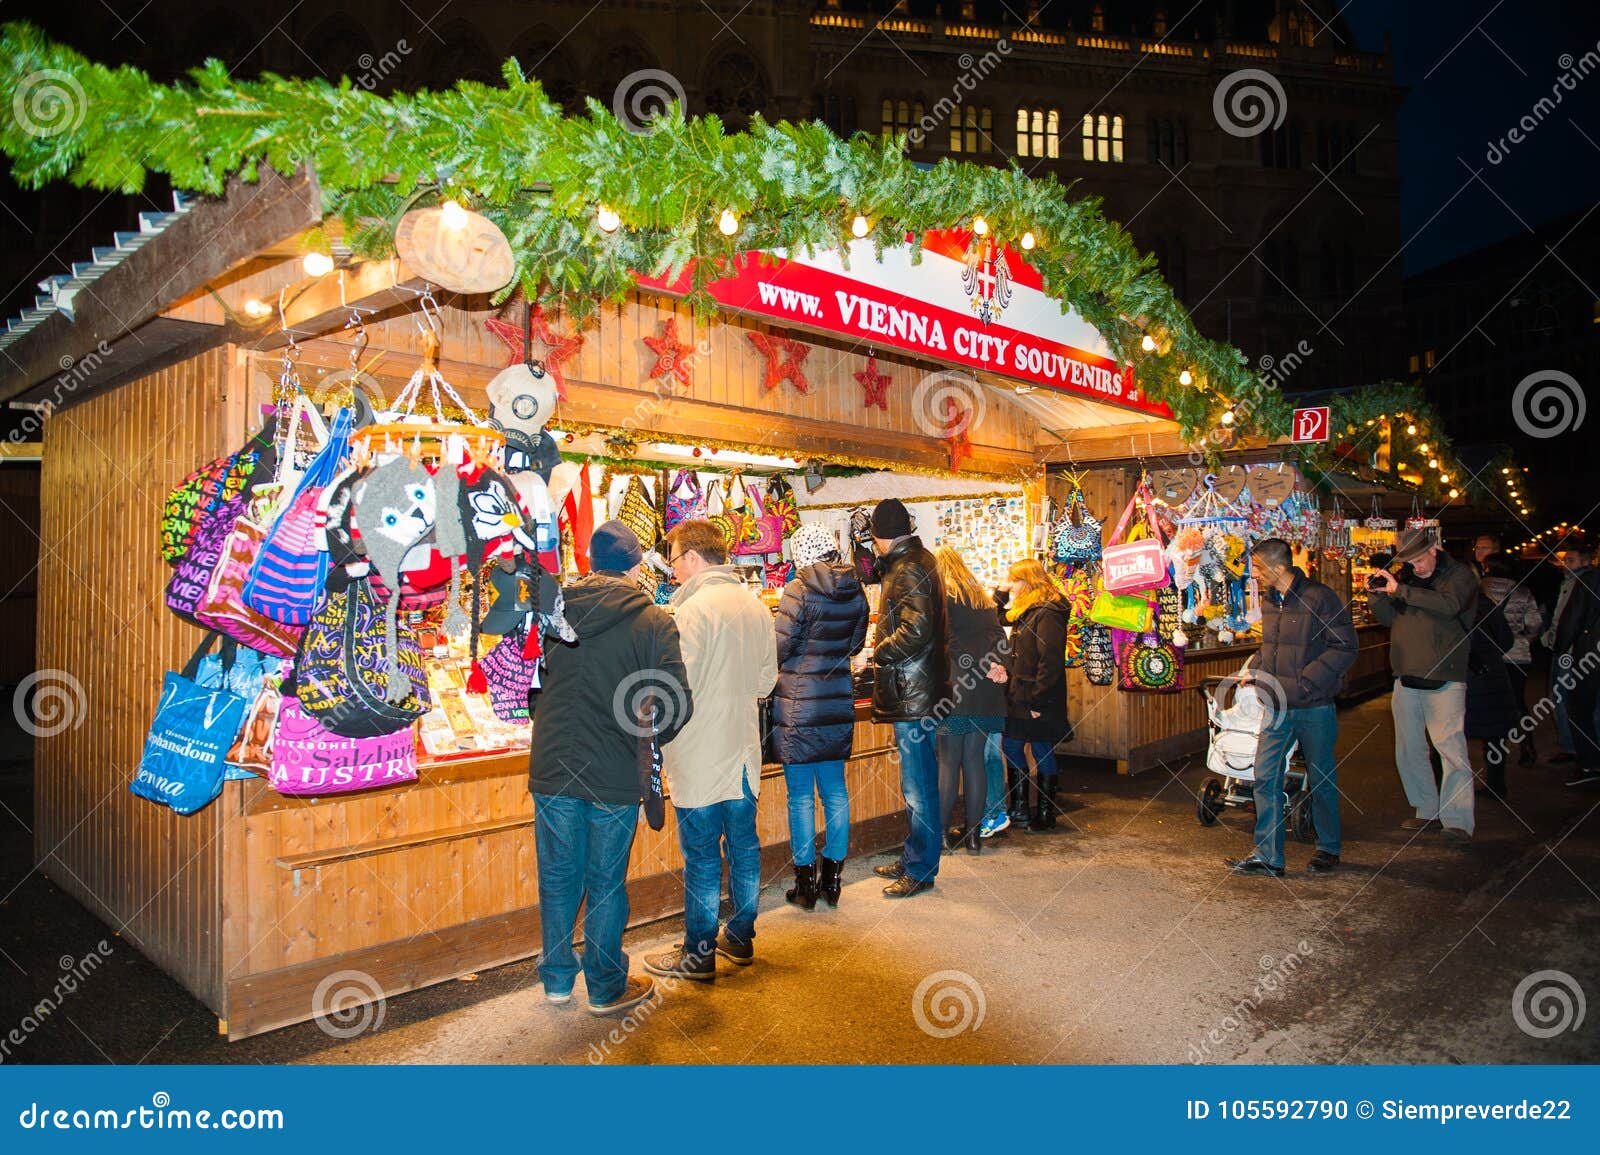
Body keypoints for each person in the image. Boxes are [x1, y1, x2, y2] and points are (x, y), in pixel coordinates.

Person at [529, 520, 691, 1015]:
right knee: (605, 880)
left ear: (590, 563)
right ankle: (604, 984)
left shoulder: (553, 614)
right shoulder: (655, 623)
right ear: (636, 566)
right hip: (616, 768)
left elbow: (532, 688)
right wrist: (648, 734)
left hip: (553, 763)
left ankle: (556, 980)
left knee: (557, 876)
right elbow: (676, 704)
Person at [644, 519, 777, 981]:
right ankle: (739, 937)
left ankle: (699, 953)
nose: (673, 570)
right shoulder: (757, 607)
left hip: (698, 751)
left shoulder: (690, 612)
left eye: (675, 560)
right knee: (744, 846)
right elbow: (766, 682)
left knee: (702, 855)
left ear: (693, 559)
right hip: (742, 750)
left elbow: (680, 688)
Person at [1227, 538, 1358, 877]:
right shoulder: (1271, 602)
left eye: (1257, 567)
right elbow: (1271, 646)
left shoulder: (1320, 598)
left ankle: (1328, 848)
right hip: (1277, 705)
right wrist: (1254, 668)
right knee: (1265, 775)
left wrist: (1307, 681)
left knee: (1321, 777)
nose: (1253, 573)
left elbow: (1345, 646)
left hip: (1314, 705)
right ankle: (1269, 856)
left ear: (1278, 568)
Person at [771, 522, 869, 909]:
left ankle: (805, 886)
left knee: (799, 798)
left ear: (802, 554)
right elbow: (857, 644)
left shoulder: (797, 590)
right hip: (836, 698)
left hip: (798, 704)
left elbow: (779, 648)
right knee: (835, 792)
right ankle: (833, 880)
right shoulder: (855, 587)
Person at [1368, 527, 1480, 842]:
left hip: (1445, 676)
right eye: (1410, 561)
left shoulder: (1459, 575)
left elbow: (1449, 605)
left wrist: (1400, 590)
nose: (1416, 567)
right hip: (1406, 676)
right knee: (1409, 749)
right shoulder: (1405, 578)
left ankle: (1457, 821)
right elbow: (1390, 620)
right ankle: (1426, 810)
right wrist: (1377, 596)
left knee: (1450, 748)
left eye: (1419, 559)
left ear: (1434, 549)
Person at [866, 498, 951, 899]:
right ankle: (915, 855)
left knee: (918, 786)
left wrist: (879, 650)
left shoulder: (908, 567)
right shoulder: (920, 560)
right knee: (917, 783)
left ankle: (920, 869)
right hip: (920, 689)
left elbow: (916, 630)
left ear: (879, 537)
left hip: (912, 692)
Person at [933, 546, 1009, 854]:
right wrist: (998, 665)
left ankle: (938, 837)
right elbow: (1000, 639)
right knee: (974, 761)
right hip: (986, 692)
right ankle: (974, 837)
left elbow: (949, 646)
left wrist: (978, 665)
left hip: (957, 690)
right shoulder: (983, 600)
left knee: (948, 763)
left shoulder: (943, 601)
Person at [1000, 559, 1072, 833]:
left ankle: (1045, 812)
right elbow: (997, 615)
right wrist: (1000, 590)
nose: (1012, 586)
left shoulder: (1048, 612)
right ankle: (1020, 809)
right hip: (1020, 694)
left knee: (1041, 749)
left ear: (1028, 581)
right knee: (1012, 745)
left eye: (1015, 581)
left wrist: (1039, 701)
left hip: (1038, 696)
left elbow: (1050, 660)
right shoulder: (1028, 610)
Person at [1481, 553, 1542, 766]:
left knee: (1488, 704)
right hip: (1517, 654)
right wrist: (1523, 640)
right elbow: (1534, 623)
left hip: (1485, 655)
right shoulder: (1522, 591)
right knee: (1517, 701)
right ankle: (1527, 746)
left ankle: (1494, 755)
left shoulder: (1478, 589)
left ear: (1487, 568)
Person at [1465, 576, 1517, 800]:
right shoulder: (1487, 604)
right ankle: (1497, 785)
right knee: (1495, 736)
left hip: (1467, 677)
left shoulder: (1453, 607)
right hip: (1492, 674)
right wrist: (1491, 656)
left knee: (1448, 734)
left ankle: (1446, 790)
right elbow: (1507, 639)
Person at [1554, 544, 1600, 787]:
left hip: (1589, 655)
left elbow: (1572, 618)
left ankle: (1590, 764)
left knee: (1581, 709)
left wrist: (1560, 648)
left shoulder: (1590, 580)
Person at [1542, 549, 1587, 765]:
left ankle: (1575, 748)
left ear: (1585, 561)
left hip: (1569, 651)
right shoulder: (1567, 583)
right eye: (1565, 560)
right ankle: (1575, 746)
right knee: (1564, 698)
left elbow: (1569, 619)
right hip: (1567, 648)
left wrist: (1557, 640)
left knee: (1564, 698)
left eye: (1571, 560)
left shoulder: (1581, 584)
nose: (1566, 564)